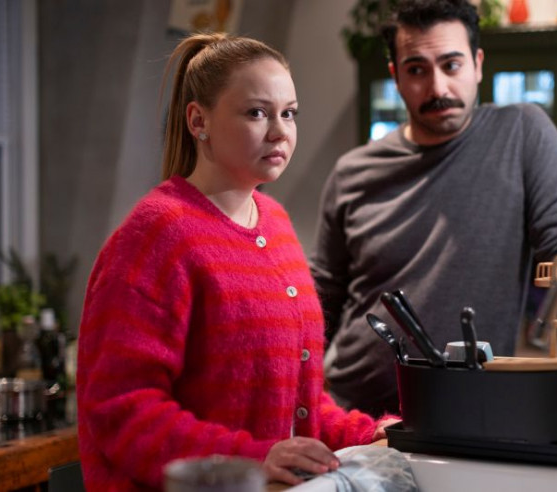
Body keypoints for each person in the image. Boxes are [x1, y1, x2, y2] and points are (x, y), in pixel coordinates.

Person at [77, 32, 398, 491]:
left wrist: (368, 434)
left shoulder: (276, 224)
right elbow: (120, 410)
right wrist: (254, 456)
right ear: (198, 120)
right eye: (257, 113)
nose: (280, 131)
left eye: (289, 113)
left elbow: (299, 403)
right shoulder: (155, 236)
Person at [311, 0, 557, 417]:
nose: (438, 88)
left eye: (451, 65)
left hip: (466, 409)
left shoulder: (522, 133)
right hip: (354, 413)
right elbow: (322, 297)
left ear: (477, 64)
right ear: (396, 77)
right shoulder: (353, 172)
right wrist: (297, 398)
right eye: (417, 70)